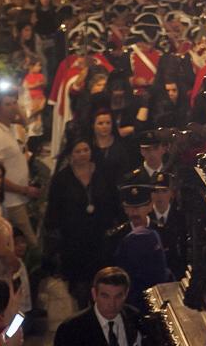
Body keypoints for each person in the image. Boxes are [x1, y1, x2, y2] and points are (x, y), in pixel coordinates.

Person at [43, 136, 119, 307]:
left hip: (101, 239)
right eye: (78, 151)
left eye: (86, 150)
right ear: (70, 155)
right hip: (74, 241)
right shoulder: (62, 179)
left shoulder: (103, 173)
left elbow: (114, 201)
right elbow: (54, 210)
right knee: (80, 286)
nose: (83, 154)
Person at [0, 91, 39, 250]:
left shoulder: (10, 128)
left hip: (18, 199)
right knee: (29, 244)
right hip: (10, 201)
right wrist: (24, 190)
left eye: (15, 103)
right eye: (8, 104)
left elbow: (25, 123)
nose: (13, 108)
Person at [107, 170, 171, 311]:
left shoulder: (163, 232)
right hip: (128, 301)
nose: (135, 212)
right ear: (125, 209)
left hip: (160, 298)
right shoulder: (116, 237)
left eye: (139, 207)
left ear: (149, 206)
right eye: (130, 208)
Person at [53, 266, 143, 346]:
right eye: (105, 296)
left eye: (118, 296)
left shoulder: (135, 318)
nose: (112, 304)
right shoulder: (71, 329)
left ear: (126, 294)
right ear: (94, 294)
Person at [148, 172, 187, 279]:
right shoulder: (146, 217)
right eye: (155, 191)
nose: (159, 196)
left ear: (172, 194)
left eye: (164, 191)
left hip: (176, 273)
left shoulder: (181, 218)